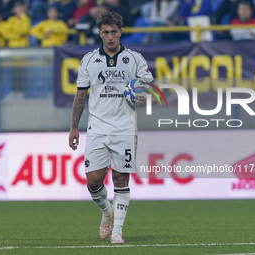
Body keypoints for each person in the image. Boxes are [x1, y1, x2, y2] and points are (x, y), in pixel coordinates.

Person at [68, 11, 155, 244]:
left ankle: (117, 231)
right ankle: (107, 211)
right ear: (99, 33)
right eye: (105, 32)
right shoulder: (88, 60)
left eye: (113, 32)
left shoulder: (135, 59)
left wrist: (145, 99)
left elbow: (154, 94)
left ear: (120, 31)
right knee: (93, 180)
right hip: (97, 127)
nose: (110, 37)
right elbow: (80, 95)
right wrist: (74, 126)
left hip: (125, 127)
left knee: (120, 178)